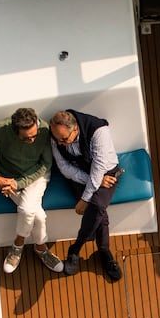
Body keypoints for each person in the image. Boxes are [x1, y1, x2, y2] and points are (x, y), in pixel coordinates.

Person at [0, 107, 63, 274]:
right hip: (8, 178)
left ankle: (17, 245)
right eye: (26, 138)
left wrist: (17, 184)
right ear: (14, 130)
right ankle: (41, 248)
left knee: (26, 209)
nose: (32, 140)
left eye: (34, 135)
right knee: (37, 215)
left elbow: (46, 164)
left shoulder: (44, 130)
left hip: (36, 176)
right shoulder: (2, 129)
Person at [50, 109, 123, 281]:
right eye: (57, 139)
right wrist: (92, 182)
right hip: (79, 175)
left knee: (96, 206)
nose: (59, 143)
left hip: (107, 172)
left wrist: (84, 199)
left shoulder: (99, 131)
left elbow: (99, 166)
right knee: (99, 211)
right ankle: (104, 251)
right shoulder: (55, 136)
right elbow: (64, 168)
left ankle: (76, 248)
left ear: (75, 129)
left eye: (63, 140)